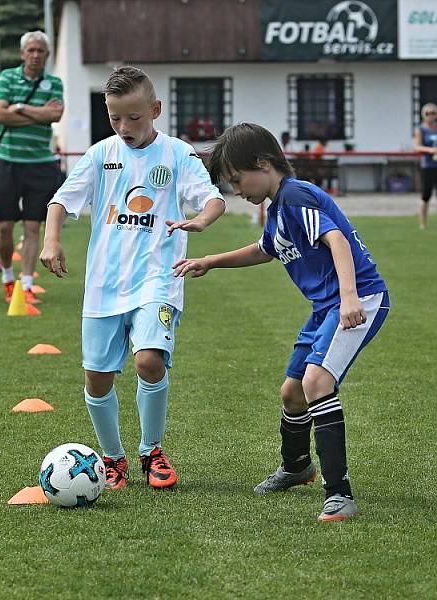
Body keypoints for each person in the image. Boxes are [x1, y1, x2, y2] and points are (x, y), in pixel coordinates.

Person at [174, 123, 390, 522]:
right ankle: (296, 467)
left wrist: (348, 299)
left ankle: (340, 495)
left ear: (262, 163)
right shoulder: (277, 209)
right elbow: (265, 249)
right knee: (292, 392)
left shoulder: (294, 196)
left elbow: (337, 241)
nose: (236, 190)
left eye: (237, 180)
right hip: (325, 307)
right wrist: (211, 261)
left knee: (316, 383)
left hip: (357, 299)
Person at [40, 66, 225, 491]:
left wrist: (199, 221)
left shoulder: (178, 154)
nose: (124, 128)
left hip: (159, 279)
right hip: (104, 286)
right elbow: (61, 201)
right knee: (97, 377)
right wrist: (52, 241)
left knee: (148, 360)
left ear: (155, 110)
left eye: (134, 118)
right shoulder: (100, 154)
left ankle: (151, 451)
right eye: (115, 118)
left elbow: (213, 199)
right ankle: (112, 459)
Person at [0, 31, 64, 305]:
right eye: (31, 50)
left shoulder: (53, 82)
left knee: (34, 226)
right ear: (22, 53)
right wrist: (36, 113)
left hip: (40, 164)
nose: (35, 55)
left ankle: (28, 284)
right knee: (5, 225)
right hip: (7, 161)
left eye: (40, 51)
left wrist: (18, 108)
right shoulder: (7, 77)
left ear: (47, 55)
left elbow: (55, 115)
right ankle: (8, 278)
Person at [413, 102, 437, 230]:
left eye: (433, 113)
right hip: (428, 166)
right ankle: (423, 224)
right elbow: (417, 146)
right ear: (423, 115)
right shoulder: (421, 129)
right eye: (428, 113)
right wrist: (431, 150)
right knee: (426, 196)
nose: (431, 115)